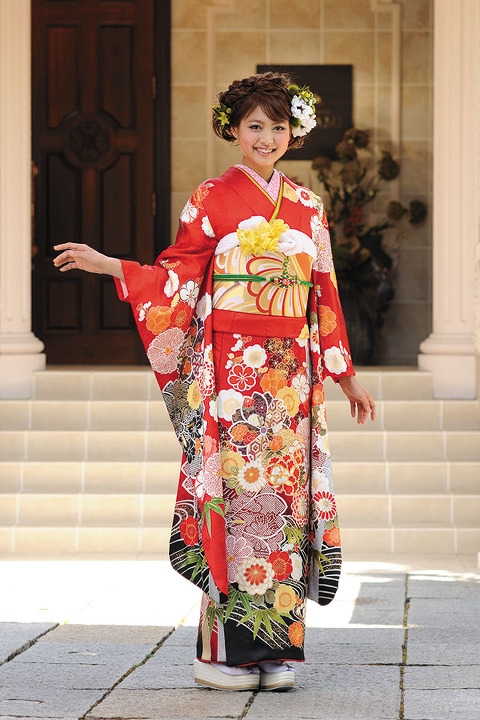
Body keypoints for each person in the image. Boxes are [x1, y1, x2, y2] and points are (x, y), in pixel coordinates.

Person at [54, 71, 376, 692]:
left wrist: (344, 374)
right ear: (234, 129)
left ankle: (276, 649)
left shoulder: (309, 206)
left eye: (278, 126)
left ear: (294, 133)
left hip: (290, 376)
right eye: (255, 126)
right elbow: (176, 276)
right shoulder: (211, 197)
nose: (266, 137)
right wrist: (113, 266)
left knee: (284, 500)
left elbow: (324, 292)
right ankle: (220, 653)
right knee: (235, 497)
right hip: (232, 372)